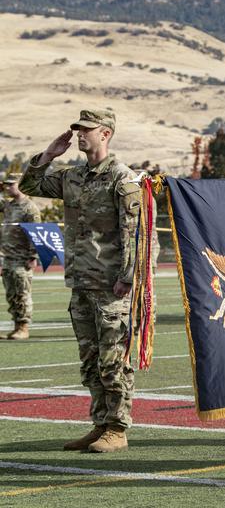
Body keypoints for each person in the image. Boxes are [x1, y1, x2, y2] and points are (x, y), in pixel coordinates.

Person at [20, 109, 141, 453]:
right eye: (77, 129)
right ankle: (100, 423)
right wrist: (48, 156)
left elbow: (133, 233)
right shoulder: (72, 176)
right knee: (90, 360)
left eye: (85, 129)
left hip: (110, 284)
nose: (79, 134)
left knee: (113, 358)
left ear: (105, 134)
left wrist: (127, 278)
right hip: (81, 282)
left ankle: (117, 428)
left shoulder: (122, 178)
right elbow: (29, 185)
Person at [1, 173, 41, 340]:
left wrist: (33, 256)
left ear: (20, 185)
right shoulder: (8, 206)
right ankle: (16, 326)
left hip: (22, 257)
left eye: (11, 185)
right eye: (6, 185)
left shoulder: (29, 208)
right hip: (8, 257)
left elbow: (36, 233)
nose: (8, 188)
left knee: (22, 293)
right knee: (11, 293)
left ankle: (24, 327)